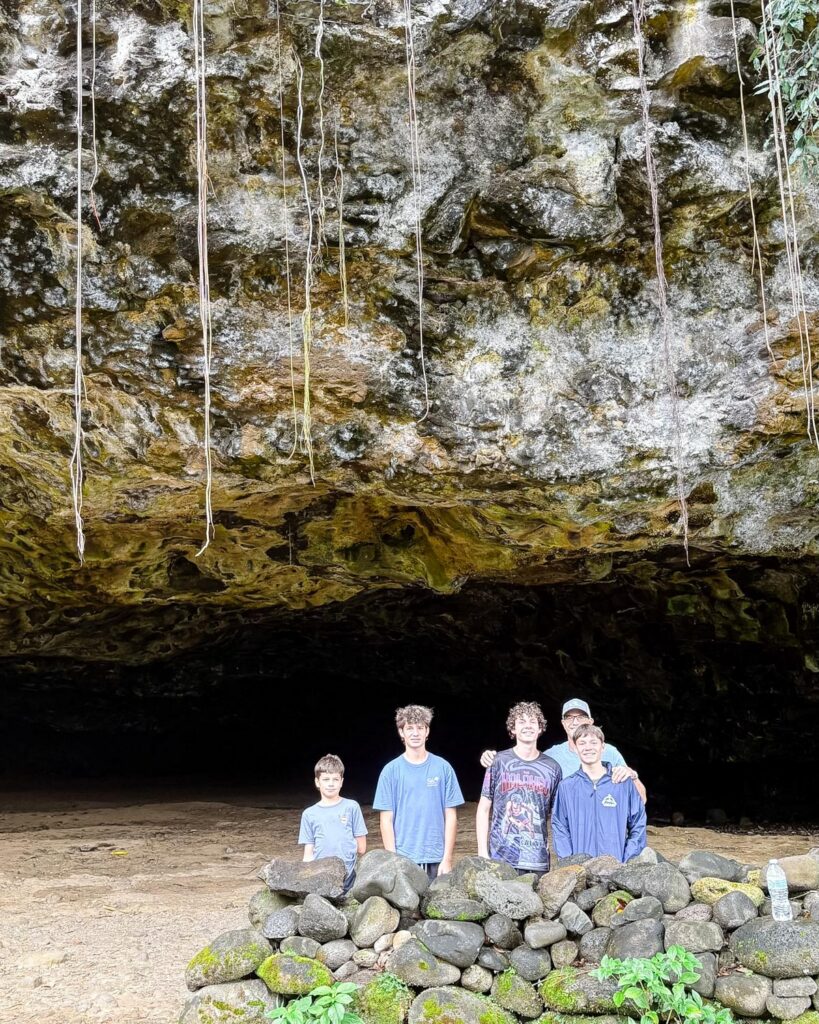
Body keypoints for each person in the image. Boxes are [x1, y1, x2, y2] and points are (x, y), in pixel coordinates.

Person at [481, 698, 646, 803]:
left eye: (580, 717)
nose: (575, 722)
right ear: (562, 723)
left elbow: (641, 798)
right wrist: (493, 757)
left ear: (591, 721)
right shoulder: (552, 756)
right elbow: (524, 763)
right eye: (569, 717)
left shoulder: (609, 752)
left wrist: (632, 775)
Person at [373, 705, 464, 879]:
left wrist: (447, 859)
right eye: (409, 728)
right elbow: (386, 820)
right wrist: (394, 861)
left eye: (420, 728)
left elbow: (451, 817)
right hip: (404, 858)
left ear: (427, 731)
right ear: (401, 732)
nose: (415, 733)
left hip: (436, 858)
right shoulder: (390, 771)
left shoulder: (443, 768)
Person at [476, 701, 562, 874]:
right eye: (521, 721)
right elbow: (483, 809)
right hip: (500, 858)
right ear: (512, 729)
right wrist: (482, 852)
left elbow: (558, 817)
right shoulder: (498, 762)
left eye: (533, 721)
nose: (527, 726)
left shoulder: (553, 768)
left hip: (538, 860)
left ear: (540, 728)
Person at [551, 724, 646, 861]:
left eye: (593, 742)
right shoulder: (566, 787)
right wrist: (570, 864)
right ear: (576, 749)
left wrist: (628, 861)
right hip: (580, 872)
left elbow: (638, 823)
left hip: (616, 869)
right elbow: (560, 829)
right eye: (582, 743)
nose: (588, 747)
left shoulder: (622, 783)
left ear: (603, 747)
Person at [298, 753, 368, 893]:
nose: (331, 784)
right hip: (320, 875)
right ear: (317, 782)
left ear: (341, 781)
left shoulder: (352, 807)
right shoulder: (309, 814)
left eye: (335, 779)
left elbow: (362, 848)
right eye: (326, 779)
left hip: (348, 876)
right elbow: (308, 854)